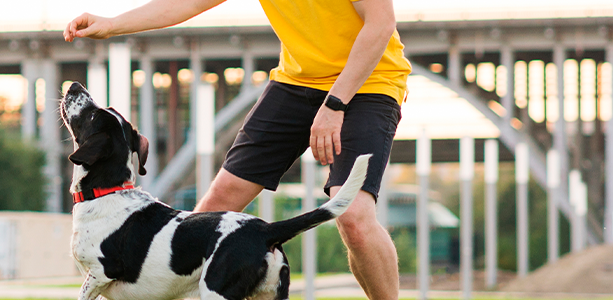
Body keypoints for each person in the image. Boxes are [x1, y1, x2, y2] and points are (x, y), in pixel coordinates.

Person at [64, 0, 409, 299]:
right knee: (213, 207)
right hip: (295, 83)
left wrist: (335, 105)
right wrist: (112, 25)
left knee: (354, 219)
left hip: (369, 80)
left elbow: (381, 23)